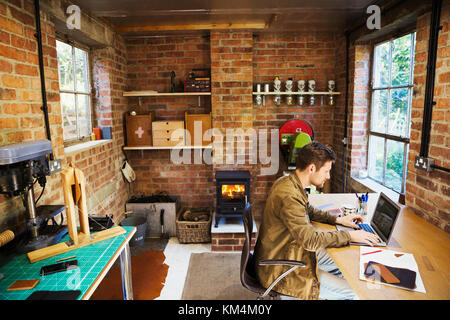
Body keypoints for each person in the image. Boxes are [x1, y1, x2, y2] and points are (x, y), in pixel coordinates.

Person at [253, 142, 380, 300]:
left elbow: (308, 210)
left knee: (344, 262)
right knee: (354, 292)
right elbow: (310, 241)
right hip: (282, 268)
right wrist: (350, 236)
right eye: (326, 171)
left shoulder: (289, 182)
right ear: (311, 168)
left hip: (291, 251)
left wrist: (338, 220)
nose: (328, 176)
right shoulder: (289, 195)